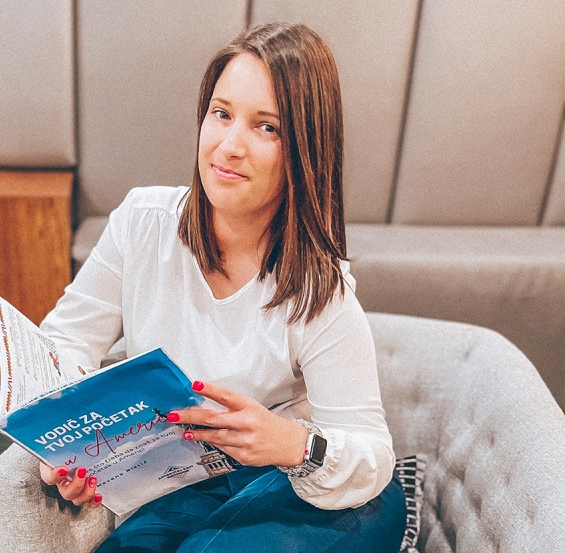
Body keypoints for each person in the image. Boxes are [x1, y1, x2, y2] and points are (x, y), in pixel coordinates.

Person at [37, 22, 407, 552]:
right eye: (221, 113)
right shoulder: (142, 223)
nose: (229, 146)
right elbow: (65, 340)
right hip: (189, 483)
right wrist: (67, 445)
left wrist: (292, 443)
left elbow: (371, 453)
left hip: (310, 489)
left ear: (304, 149)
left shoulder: (320, 289)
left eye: (267, 127)